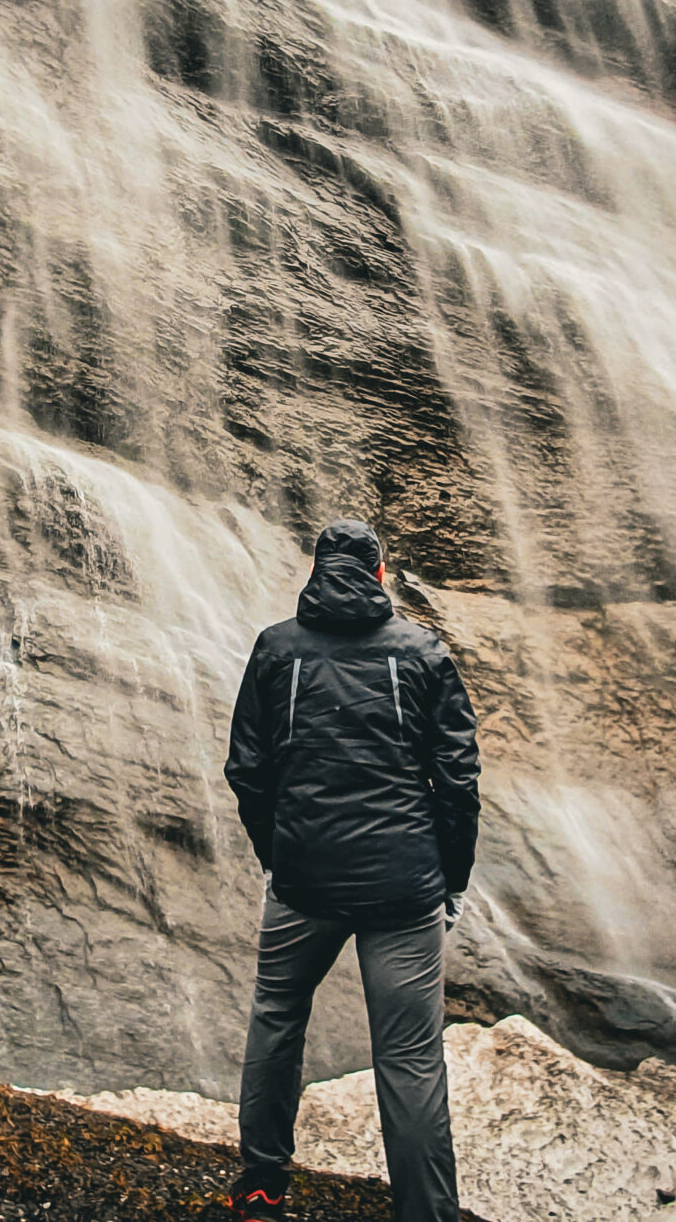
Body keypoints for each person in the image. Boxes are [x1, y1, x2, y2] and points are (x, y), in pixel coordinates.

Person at [223, 519, 483, 1222]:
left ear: (316, 571)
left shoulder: (277, 648)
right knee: (411, 1056)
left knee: (277, 1017)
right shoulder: (423, 650)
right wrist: (451, 877)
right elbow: (456, 781)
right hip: (404, 886)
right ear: (378, 574)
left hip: (304, 880)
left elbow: (246, 768)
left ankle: (261, 1186)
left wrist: (278, 856)